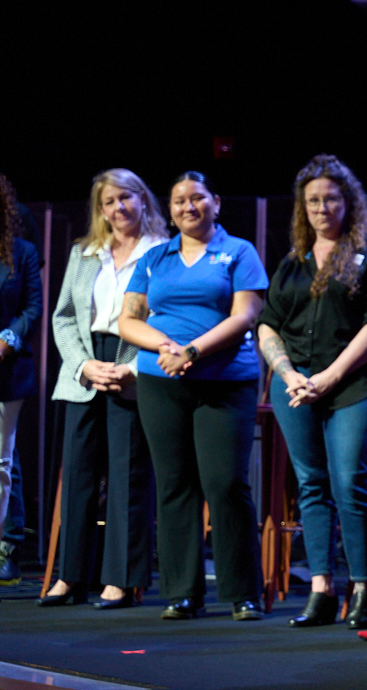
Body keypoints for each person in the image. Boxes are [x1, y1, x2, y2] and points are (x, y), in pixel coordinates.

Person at [118, 171, 269, 621]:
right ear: (170, 209)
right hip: (162, 381)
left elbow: (245, 316)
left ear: (215, 202)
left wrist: (192, 351)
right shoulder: (155, 257)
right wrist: (166, 346)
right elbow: (128, 320)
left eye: (197, 198)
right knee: (175, 484)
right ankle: (182, 592)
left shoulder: (238, 251)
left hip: (225, 381)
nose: (188, 206)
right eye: (179, 200)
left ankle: (242, 593)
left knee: (225, 484)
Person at [257, 155, 367, 629]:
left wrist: (330, 375)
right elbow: (268, 324)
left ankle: (362, 589)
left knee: (349, 482)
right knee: (311, 485)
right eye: (312, 201)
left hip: (350, 384)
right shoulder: (294, 261)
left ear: (348, 202)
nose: (321, 208)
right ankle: (321, 590)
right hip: (294, 386)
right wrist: (287, 372)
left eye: (330, 198)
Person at [43, 169, 167, 608]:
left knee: (128, 475)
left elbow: (164, 317)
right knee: (78, 475)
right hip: (84, 369)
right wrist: (82, 365)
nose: (119, 207)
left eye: (126, 198)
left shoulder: (161, 252)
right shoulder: (84, 253)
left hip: (134, 364)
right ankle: (70, 577)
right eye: (109, 201)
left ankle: (120, 580)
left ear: (143, 199)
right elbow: (62, 316)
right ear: (100, 209)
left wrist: (131, 367)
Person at [0, 172, 43, 594]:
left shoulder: (21, 250)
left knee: (2, 461)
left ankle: (7, 545)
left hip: (6, 368)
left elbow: (32, 306)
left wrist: (7, 338)